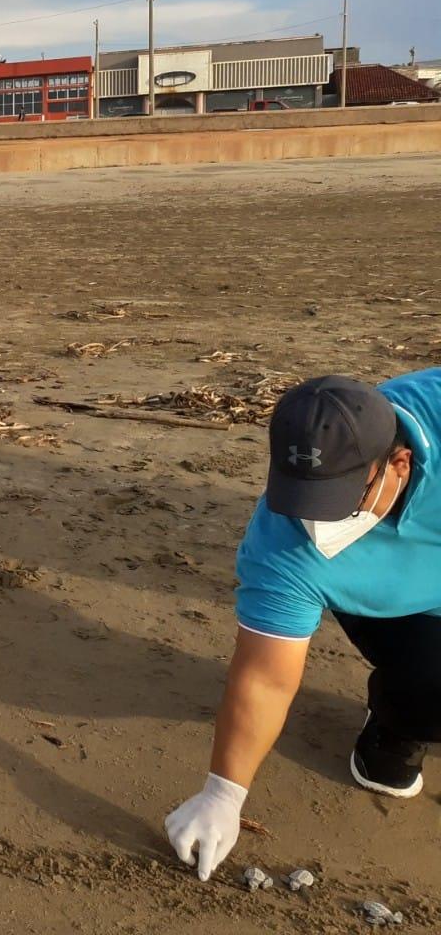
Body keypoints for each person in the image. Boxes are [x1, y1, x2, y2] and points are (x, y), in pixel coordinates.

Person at [165, 371, 441, 881]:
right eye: (308, 497)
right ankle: (396, 722)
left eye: (344, 500)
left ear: (399, 465)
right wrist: (224, 793)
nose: (319, 523)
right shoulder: (281, 539)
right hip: (395, 605)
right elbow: (265, 678)